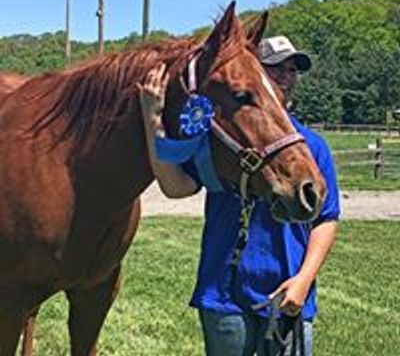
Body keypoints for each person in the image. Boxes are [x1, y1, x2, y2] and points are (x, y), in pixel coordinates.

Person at [139, 36, 340, 356]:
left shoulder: (312, 147)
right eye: (276, 69)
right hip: (224, 294)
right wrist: (153, 121)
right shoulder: (220, 141)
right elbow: (175, 187)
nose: (287, 77)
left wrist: (304, 280)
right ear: (255, 73)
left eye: (293, 70)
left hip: (288, 293)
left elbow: (326, 219)